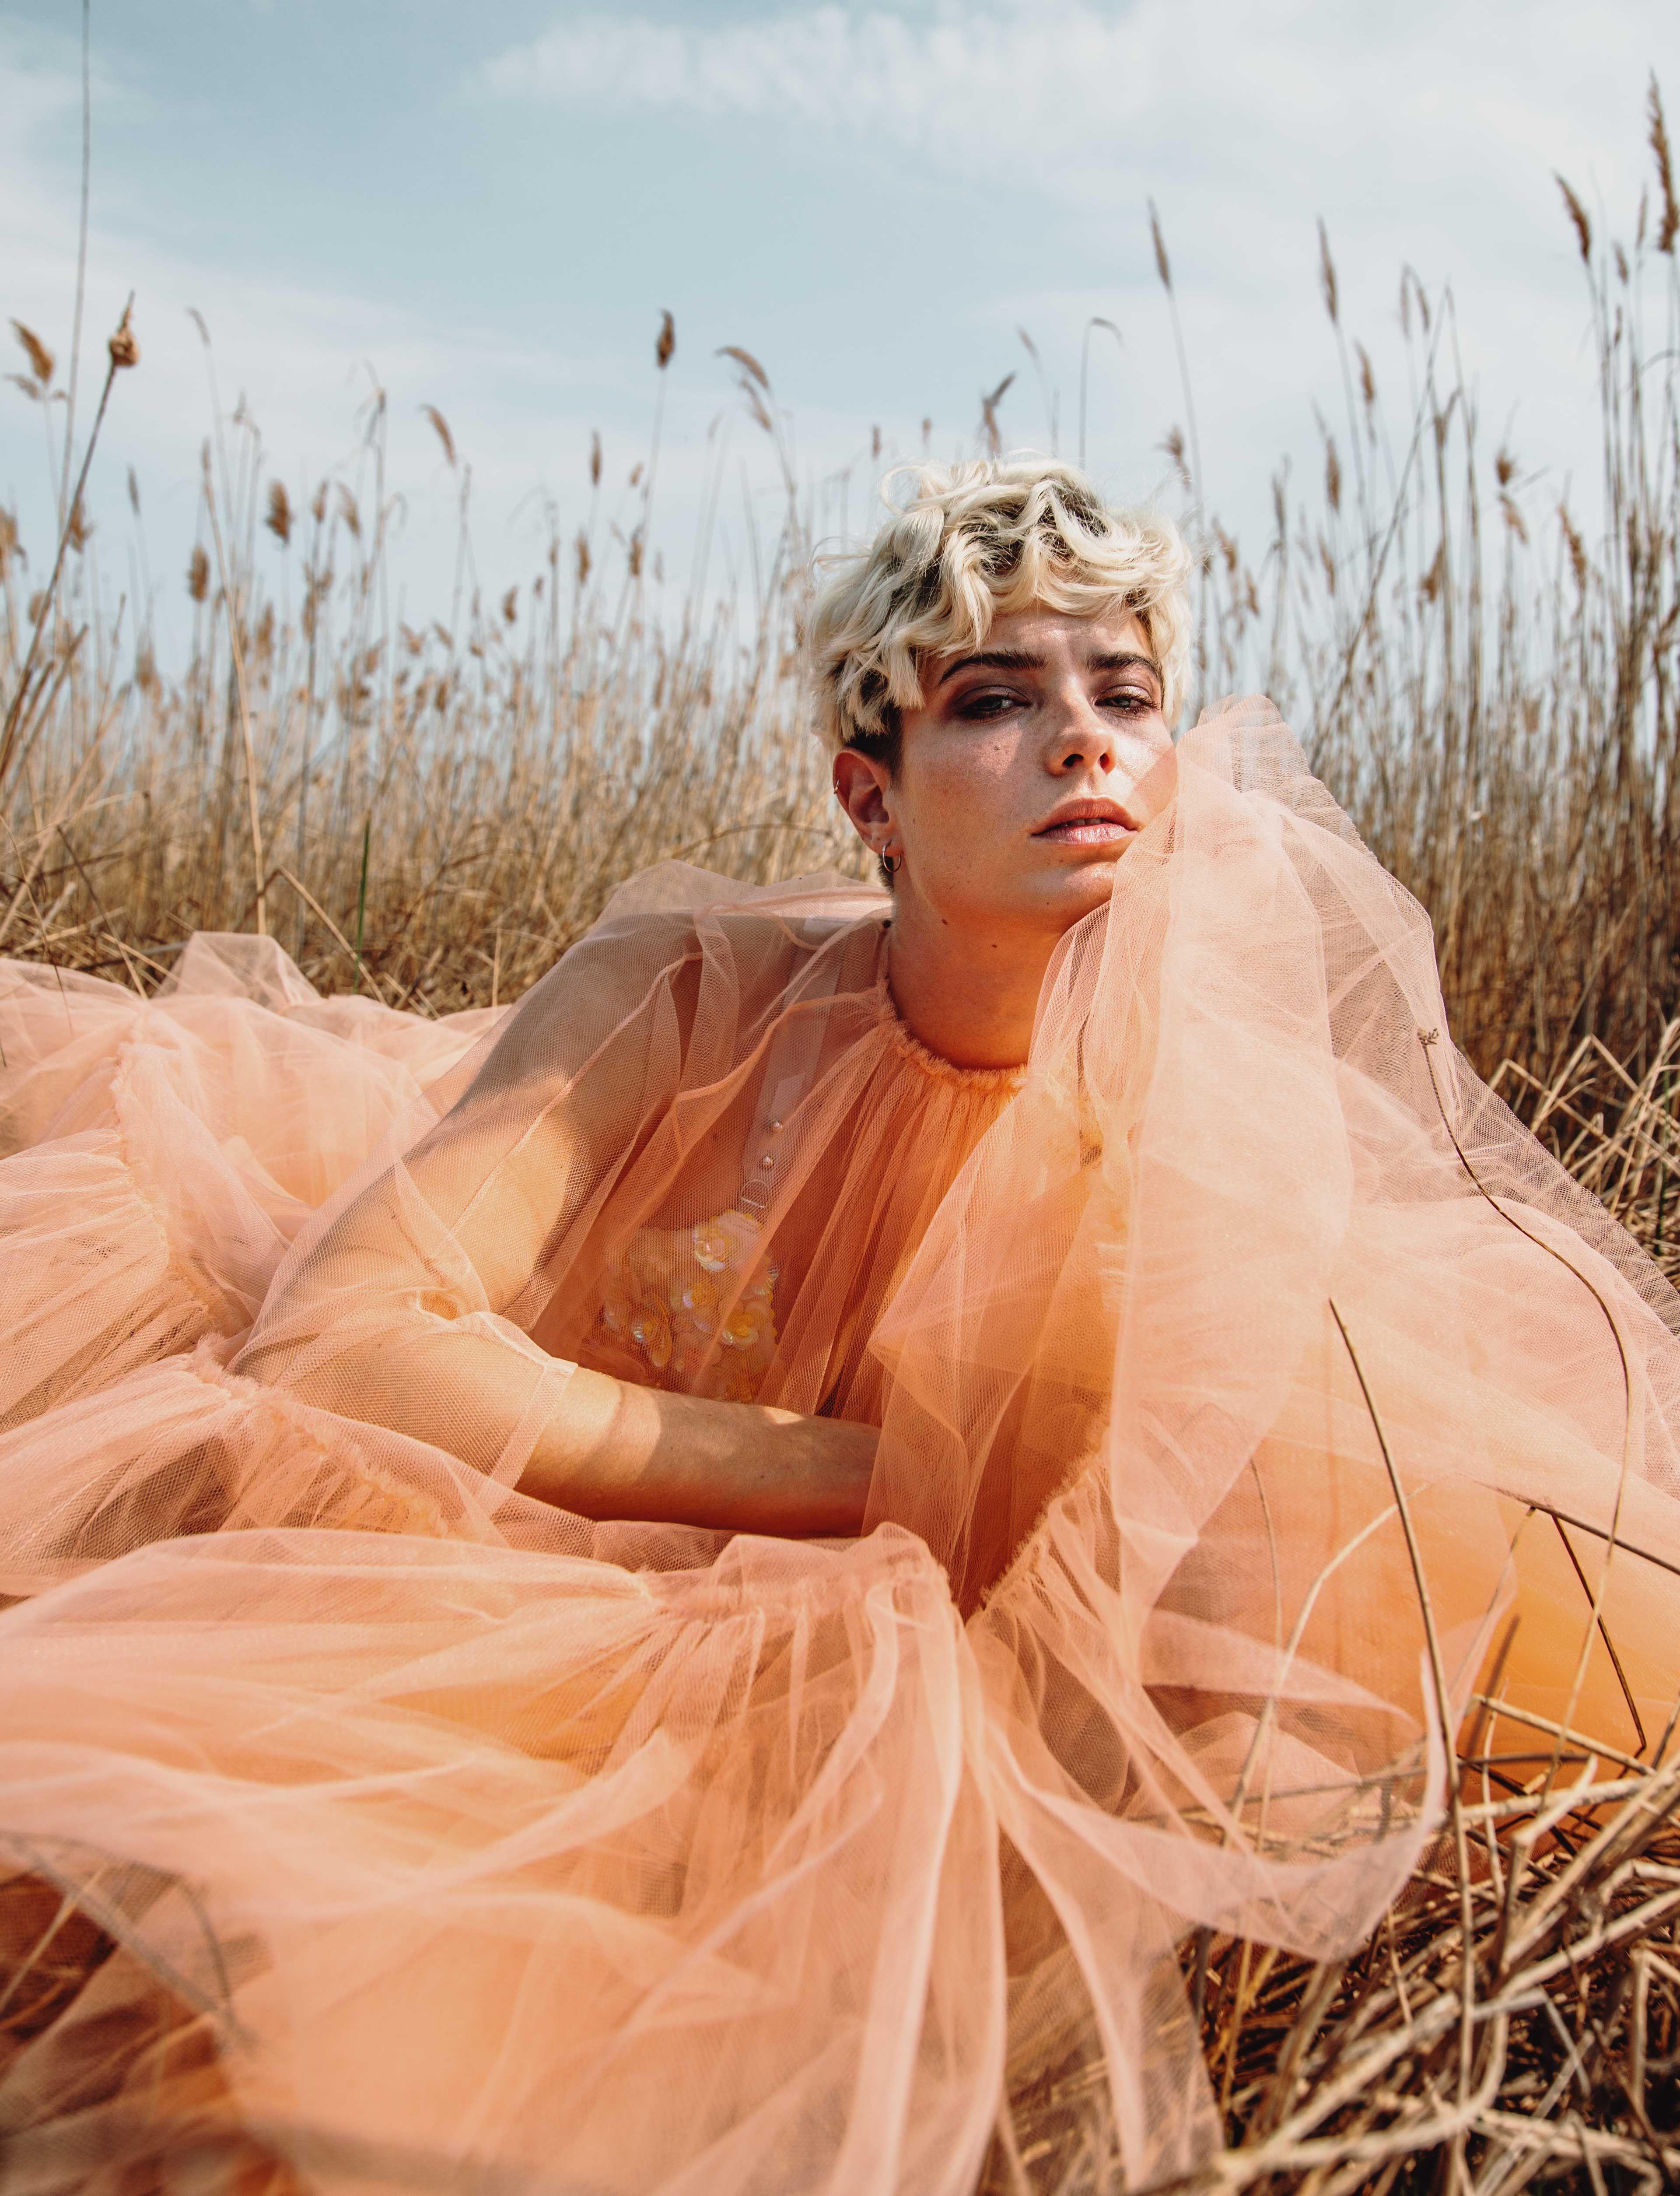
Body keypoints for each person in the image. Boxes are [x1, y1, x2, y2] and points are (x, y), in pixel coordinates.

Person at [0, 460, 1675, 2196]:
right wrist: (876, 1475)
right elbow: (340, 1342)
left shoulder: (1207, 1136)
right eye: (997, 700)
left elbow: (1170, 1601)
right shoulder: (678, 992)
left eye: (1129, 693)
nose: (1086, 740)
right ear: (867, 796)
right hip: (567, 1525)